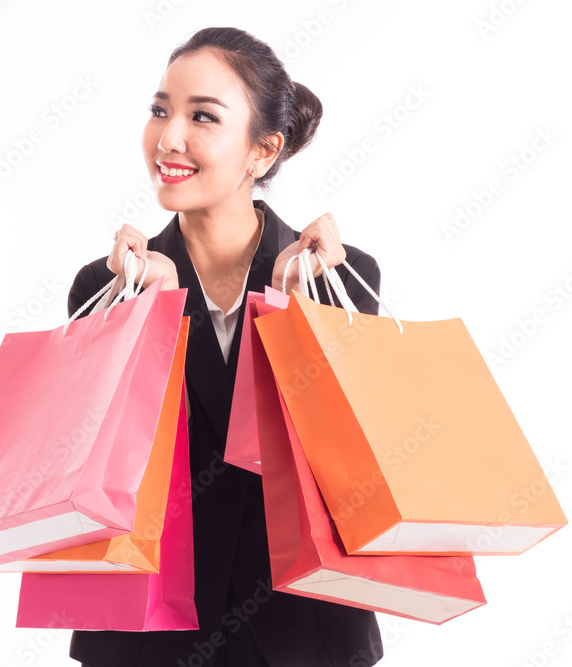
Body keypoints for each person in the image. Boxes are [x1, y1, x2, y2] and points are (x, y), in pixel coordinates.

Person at [66, 27, 385, 667]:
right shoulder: (106, 286)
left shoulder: (338, 280)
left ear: (261, 152)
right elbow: (99, 462)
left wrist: (284, 300)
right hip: (146, 631)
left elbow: (332, 461)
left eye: (202, 117)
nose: (170, 138)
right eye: (161, 110)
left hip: (301, 628)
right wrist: (157, 309)